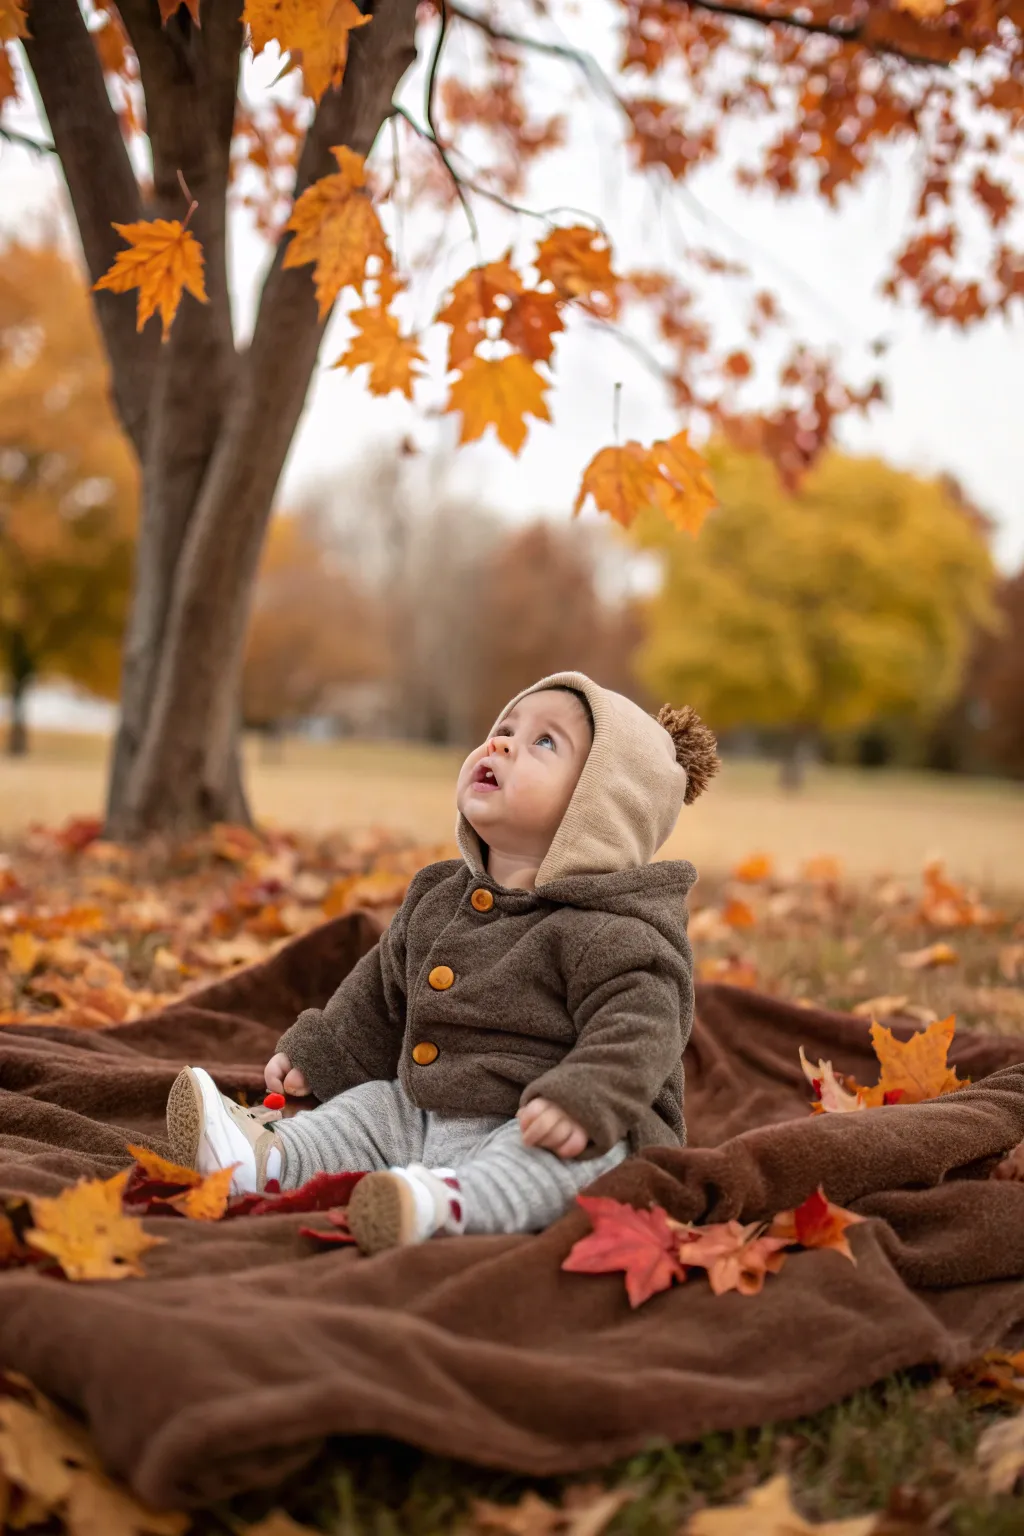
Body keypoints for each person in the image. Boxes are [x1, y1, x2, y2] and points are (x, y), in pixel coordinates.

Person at [165, 671, 718, 1254]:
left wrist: (583, 1098)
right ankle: (268, 1161)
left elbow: (642, 1030)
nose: (501, 744)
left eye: (544, 742)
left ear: (601, 809)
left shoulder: (614, 932)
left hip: (550, 1121)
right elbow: (381, 992)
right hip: (429, 1108)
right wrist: (327, 1051)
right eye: (504, 729)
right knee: (369, 1111)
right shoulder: (439, 898)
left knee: (569, 1162)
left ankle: (450, 1205)